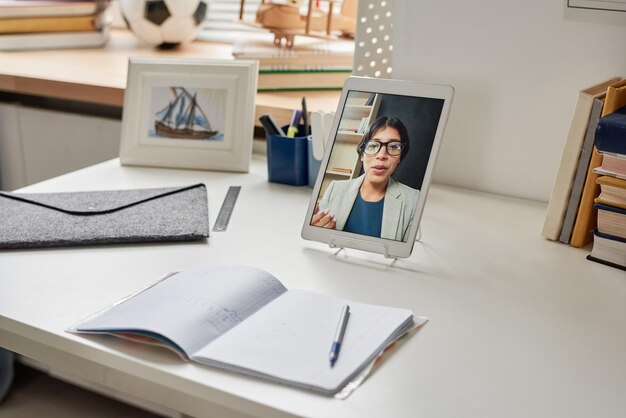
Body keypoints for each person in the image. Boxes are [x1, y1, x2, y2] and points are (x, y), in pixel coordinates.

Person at [312, 115, 420, 241]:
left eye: (393, 146)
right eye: (373, 145)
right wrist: (316, 234)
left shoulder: (414, 199)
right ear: (362, 154)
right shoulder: (335, 188)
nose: (381, 155)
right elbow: (321, 242)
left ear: (400, 157)